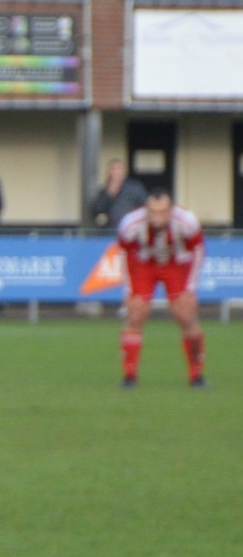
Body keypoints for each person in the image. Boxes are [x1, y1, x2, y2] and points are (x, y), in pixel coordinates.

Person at [117, 190, 207, 389]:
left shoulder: (187, 221)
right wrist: (128, 289)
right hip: (144, 264)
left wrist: (190, 289)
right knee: (136, 313)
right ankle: (129, 375)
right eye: (153, 211)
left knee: (185, 315)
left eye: (162, 212)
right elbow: (124, 254)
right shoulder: (131, 223)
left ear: (170, 210)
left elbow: (198, 251)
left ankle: (196, 375)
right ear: (146, 210)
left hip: (175, 263)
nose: (157, 217)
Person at [91, 159, 146, 228]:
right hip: (111, 231)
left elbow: (145, 207)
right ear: (109, 172)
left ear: (124, 172)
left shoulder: (135, 187)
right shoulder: (104, 191)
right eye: (113, 169)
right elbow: (97, 210)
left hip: (131, 230)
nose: (116, 172)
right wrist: (109, 194)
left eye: (119, 169)